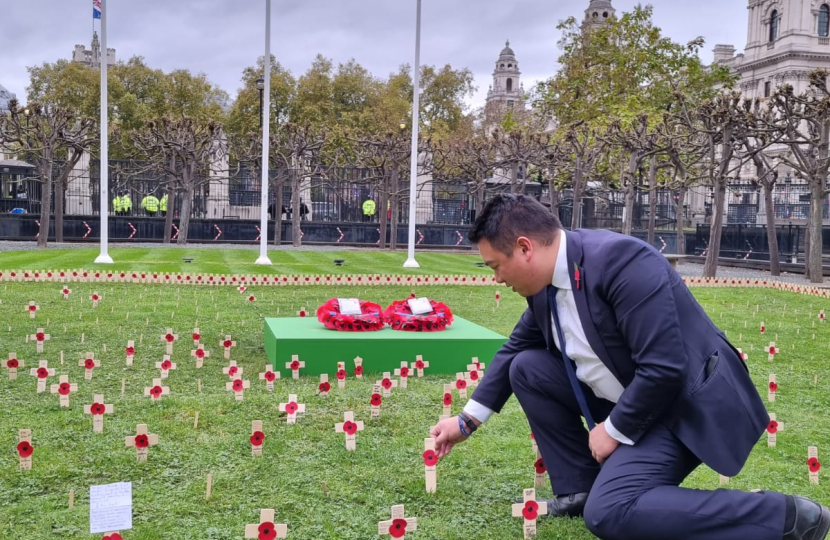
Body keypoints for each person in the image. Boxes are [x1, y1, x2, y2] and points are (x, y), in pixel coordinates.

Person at [430, 193, 829, 540]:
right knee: (527, 368)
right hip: (630, 398)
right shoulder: (544, 287)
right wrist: (465, 422)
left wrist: (615, 430)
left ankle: (782, 516)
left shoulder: (623, 262)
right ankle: (581, 489)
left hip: (680, 409)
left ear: (524, 248)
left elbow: (666, 367)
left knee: (610, 513)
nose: (496, 278)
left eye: (495, 265)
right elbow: (513, 350)